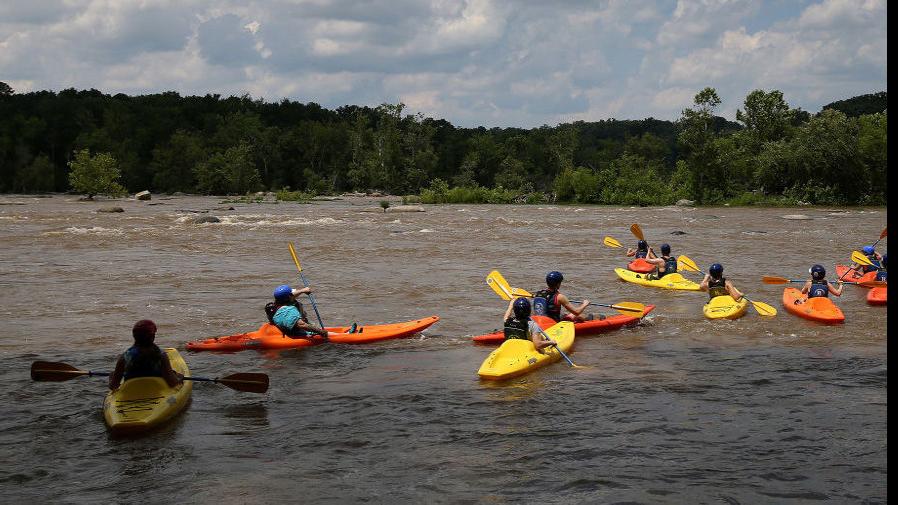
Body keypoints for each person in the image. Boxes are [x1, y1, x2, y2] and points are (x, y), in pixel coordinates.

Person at [109, 320, 183, 390]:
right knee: (175, 374)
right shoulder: (161, 356)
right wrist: (179, 378)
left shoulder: (124, 357)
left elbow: (113, 386)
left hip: (131, 392)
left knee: (112, 374)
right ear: (152, 337)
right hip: (157, 390)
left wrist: (111, 377)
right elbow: (172, 383)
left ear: (134, 336)